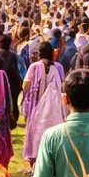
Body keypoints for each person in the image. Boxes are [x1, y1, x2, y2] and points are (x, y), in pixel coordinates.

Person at [21, 39, 67, 167]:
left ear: (39, 54)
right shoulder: (58, 67)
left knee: (35, 137)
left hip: (36, 107)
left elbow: (26, 85)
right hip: (53, 109)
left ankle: (35, 167)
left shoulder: (34, 66)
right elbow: (62, 86)